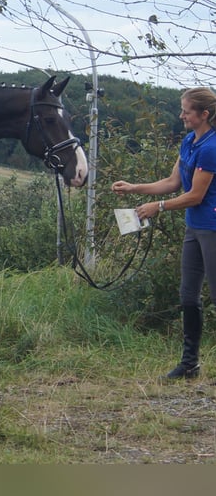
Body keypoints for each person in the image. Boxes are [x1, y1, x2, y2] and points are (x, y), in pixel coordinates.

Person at [112, 87, 216, 381]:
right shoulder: (188, 141)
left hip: (212, 227)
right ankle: (189, 364)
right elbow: (173, 182)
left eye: (186, 111)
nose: (181, 115)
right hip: (194, 228)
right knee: (188, 296)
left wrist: (157, 207)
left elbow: (195, 195)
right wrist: (134, 188)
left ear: (204, 115)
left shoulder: (211, 148)